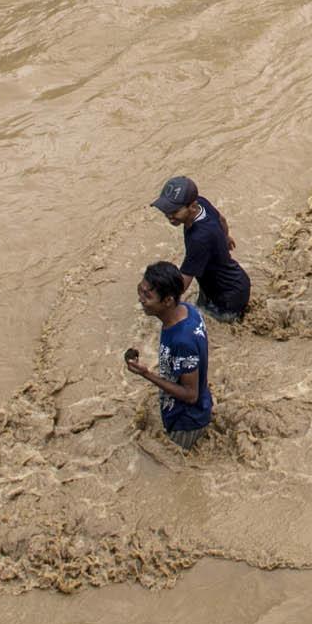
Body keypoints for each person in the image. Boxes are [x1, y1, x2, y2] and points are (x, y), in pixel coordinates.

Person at [127, 261, 214, 444]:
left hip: (185, 424)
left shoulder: (183, 340)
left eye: (147, 295)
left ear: (168, 300)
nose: (141, 299)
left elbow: (191, 395)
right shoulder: (188, 310)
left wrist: (146, 374)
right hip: (190, 412)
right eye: (140, 291)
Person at [151, 175, 251, 322]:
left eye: (175, 211)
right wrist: (226, 237)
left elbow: (183, 281)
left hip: (227, 296)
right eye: (166, 210)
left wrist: (161, 304)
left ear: (191, 206)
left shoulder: (199, 238)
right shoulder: (201, 204)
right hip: (224, 284)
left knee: (210, 326)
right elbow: (221, 219)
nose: (169, 216)